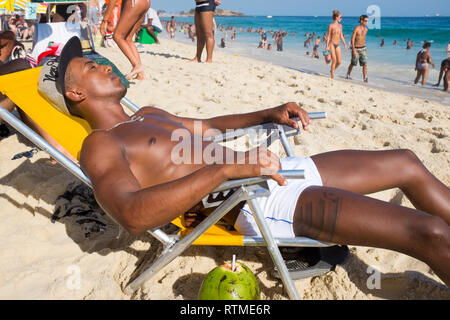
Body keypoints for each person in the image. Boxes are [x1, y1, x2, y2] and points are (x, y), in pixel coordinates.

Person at [38, 37, 450, 286]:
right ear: (75, 94)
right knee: (428, 232)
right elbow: (131, 214)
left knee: (406, 161)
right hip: (256, 203)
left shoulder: (147, 112)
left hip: (275, 172)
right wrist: (226, 170)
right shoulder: (100, 144)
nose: (106, 64)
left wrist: (268, 113)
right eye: (91, 66)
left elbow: (210, 126)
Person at [100, 0, 150, 80]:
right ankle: (140, 74)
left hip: (135, 2)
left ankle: (136, 65)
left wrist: (104, 20)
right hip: (146, 3)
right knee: (128, 38)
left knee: (117, 36)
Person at [346, 15, 369, 82]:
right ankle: (348, 74)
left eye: (367, 21)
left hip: (363, 48)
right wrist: (353, 49)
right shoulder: (356, 28)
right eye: (365, 21)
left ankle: (365, 78)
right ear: (361, 21)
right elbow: (352, 39)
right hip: (356, 48)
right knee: (353, 63)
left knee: (365, 64)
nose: (366, 22)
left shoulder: (366, 29)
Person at [326, 10, 348, 79]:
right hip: (332, 44)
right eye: (340, 17)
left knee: (339, 62)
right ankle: (332, 74)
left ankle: (331, 70)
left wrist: (345, 44)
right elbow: (329, 36)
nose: (341, 18)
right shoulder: (331, 26)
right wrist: (327, 46)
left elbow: (341, 35)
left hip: (338, 44)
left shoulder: (340, 26)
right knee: (334, 60)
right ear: (336, 17)